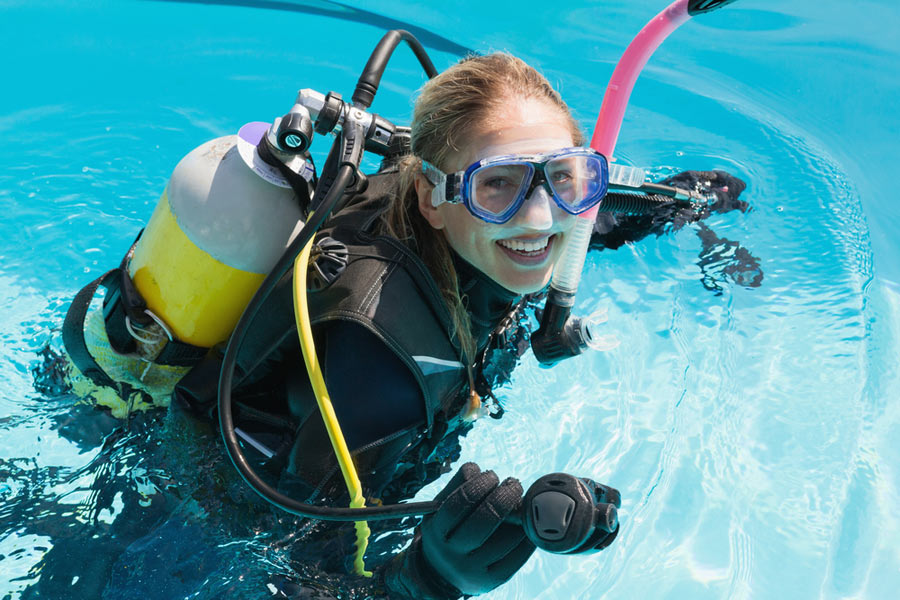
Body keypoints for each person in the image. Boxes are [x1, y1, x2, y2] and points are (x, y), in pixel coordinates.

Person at [43, 51, 753, 599]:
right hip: (181, 525)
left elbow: (559, 215)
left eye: (565, 177)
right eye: (499, 184)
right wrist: (424, 580)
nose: (542, 216)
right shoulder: (381, 369)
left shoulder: (451, 208)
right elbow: (283, 569)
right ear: (434, 197)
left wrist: (683, 205)